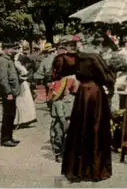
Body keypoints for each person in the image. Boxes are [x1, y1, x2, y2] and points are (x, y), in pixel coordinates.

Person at [61, 52, 115, 182]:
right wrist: (111, 80)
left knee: (80, 128)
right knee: (96, 128)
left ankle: (77, 169)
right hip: (95, 93)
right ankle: (95, 170)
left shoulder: (76, 58)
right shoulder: (94, 58)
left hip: (82, 93)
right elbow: (104, 77)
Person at [49, 35, 80, 162]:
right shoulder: (57, 63)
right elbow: (53, 82)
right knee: (60, 128)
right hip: (60, 101)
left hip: (72, 101)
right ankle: (59, 152)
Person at [0, 42, 21, 147]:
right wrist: (8, 92)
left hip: (12, 91)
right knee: (8, 115)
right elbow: (3, 79)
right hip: (9, 92)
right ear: (5, 49)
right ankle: (5, 139)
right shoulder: (3, 60)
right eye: (11, 48)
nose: (13, 50)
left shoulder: (9, 59)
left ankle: (9, 137)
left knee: (12, 115)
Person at [13, 44, 37, 127]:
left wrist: (27, 77)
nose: (15, 50)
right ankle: (19, 120)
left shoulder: (22, 57)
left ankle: (27, 119)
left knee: (25, 99)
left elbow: (29, 68)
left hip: (23, 81)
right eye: (14, 49)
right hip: (17, 81)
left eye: (17, 48)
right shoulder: (13, 57)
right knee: (19, 101)